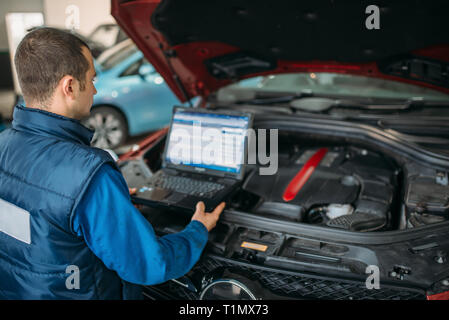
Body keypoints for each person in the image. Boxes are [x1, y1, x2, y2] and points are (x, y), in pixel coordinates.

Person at [0, 27, 225, 299]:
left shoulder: (3, 144)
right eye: (92, 79)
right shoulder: (88, 174)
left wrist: (106, 204)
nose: (94, 90)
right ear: (69, 86)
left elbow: (39, 216)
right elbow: (148, 265)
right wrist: (197, 231)